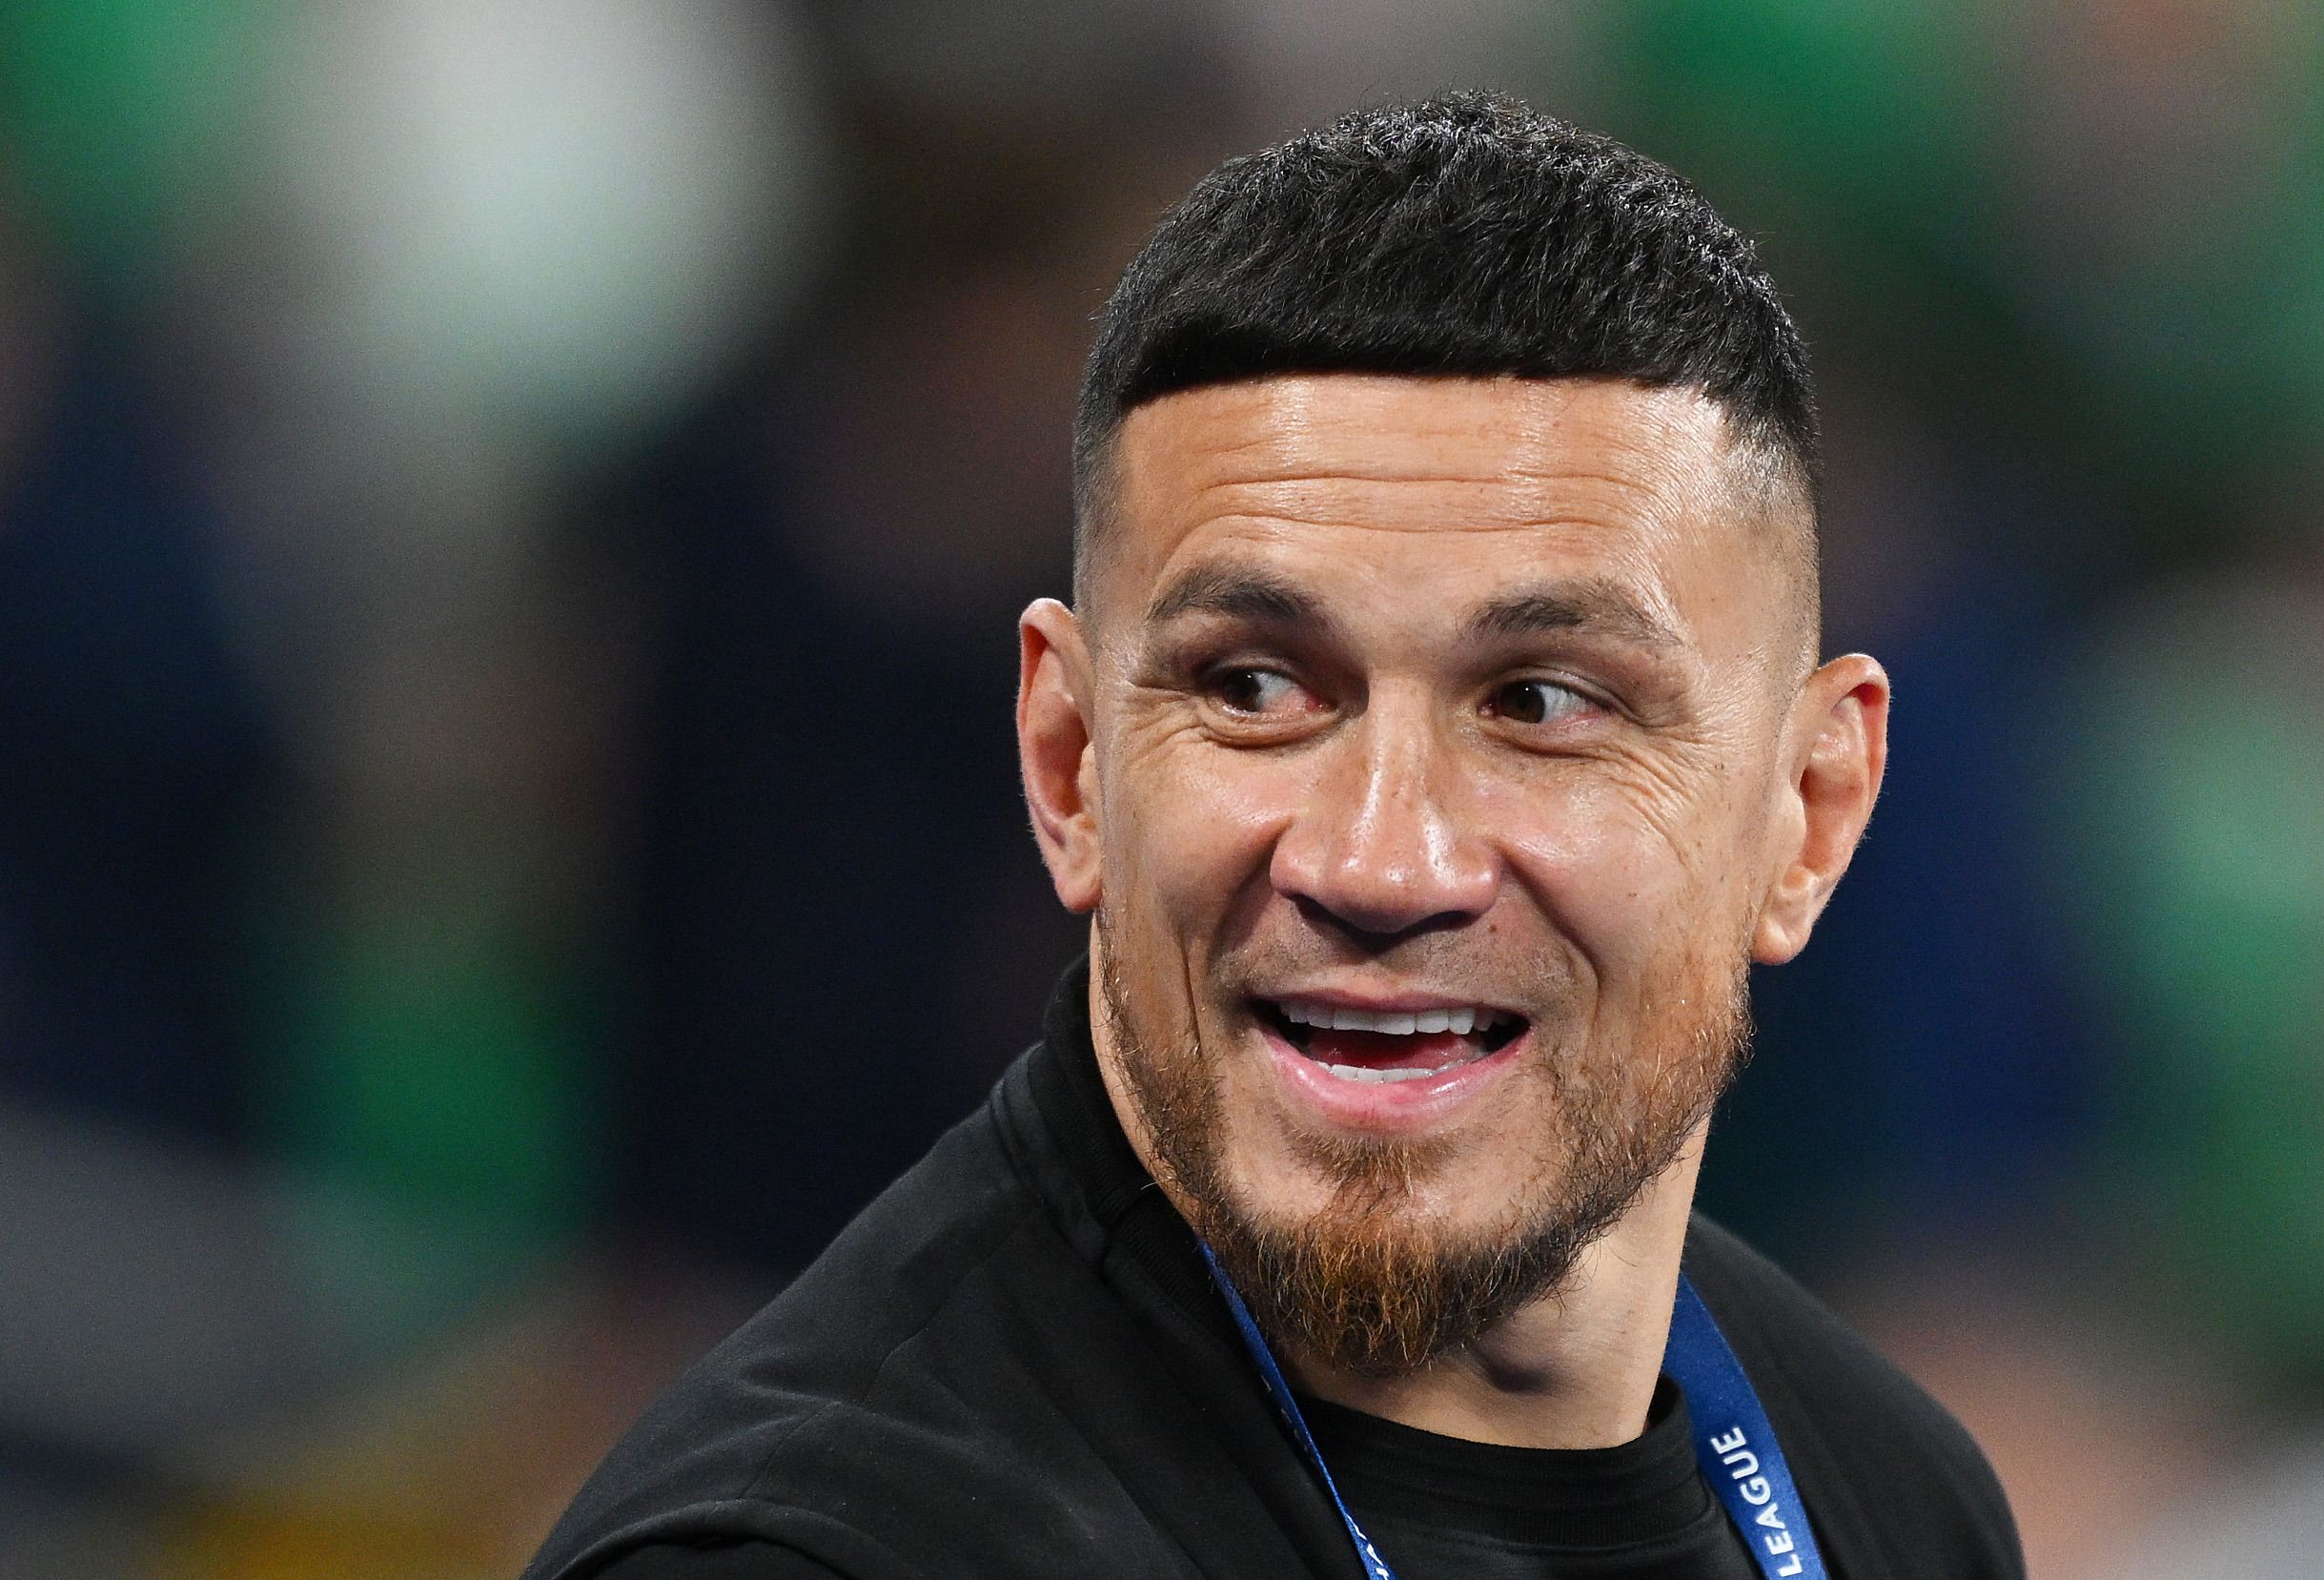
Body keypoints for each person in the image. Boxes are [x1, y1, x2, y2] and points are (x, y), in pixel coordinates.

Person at [523, 92, 2024, 1580]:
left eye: (1543, 700)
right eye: (1254, 688)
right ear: (1069, 765)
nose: (1378, 862)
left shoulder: (1879, 1495)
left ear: (1809, 810)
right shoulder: (814, 1558)